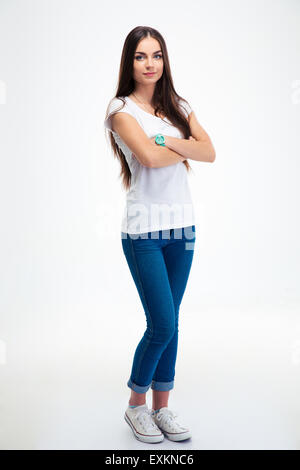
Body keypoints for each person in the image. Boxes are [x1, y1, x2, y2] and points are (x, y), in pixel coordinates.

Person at [104, 26, 216, 443]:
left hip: (182, 228)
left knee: (173, 322)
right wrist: (184, 140)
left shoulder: (178, 105)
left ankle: (161, 409)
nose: (150, 64)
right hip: (144, 233)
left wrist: (170, 137)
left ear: (164, 60)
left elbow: (210, 152)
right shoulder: (120, 110)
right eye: (140, 56)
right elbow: (150, 159)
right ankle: (136, 406)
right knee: (162, 324)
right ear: (129, 62)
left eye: (156, 55)